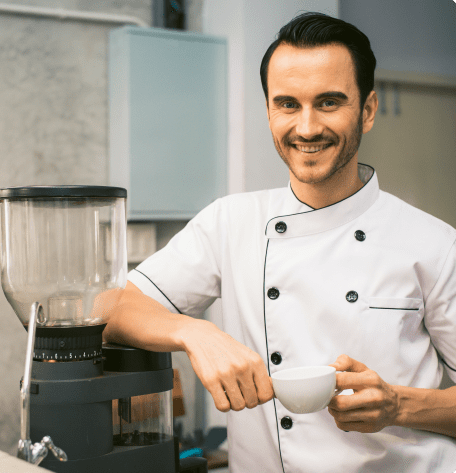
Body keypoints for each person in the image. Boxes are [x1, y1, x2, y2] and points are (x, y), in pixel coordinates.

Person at [104, 12, 456, 472]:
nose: (307, 128)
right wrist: (195, 333)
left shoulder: (434, 243)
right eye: (288, 104)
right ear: (269, 109)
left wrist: (399, 407)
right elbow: (111, 310)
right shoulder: (232, 222)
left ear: (367, 110)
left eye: (329, 102)